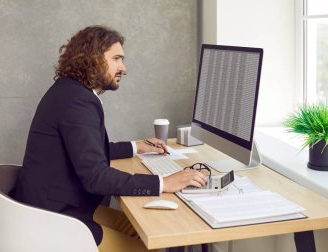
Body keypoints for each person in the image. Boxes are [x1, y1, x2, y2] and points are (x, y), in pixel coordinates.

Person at [13, 25, 207, 252]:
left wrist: (136, 147)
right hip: (57, 220)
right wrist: (164, 183)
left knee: (159, 232)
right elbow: (96, 177)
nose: (123, 68)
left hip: (56, 206)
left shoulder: (69, 91)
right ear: (92, 59)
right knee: (154, 239)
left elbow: (84, 150)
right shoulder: (78, 102)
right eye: (117, 59)